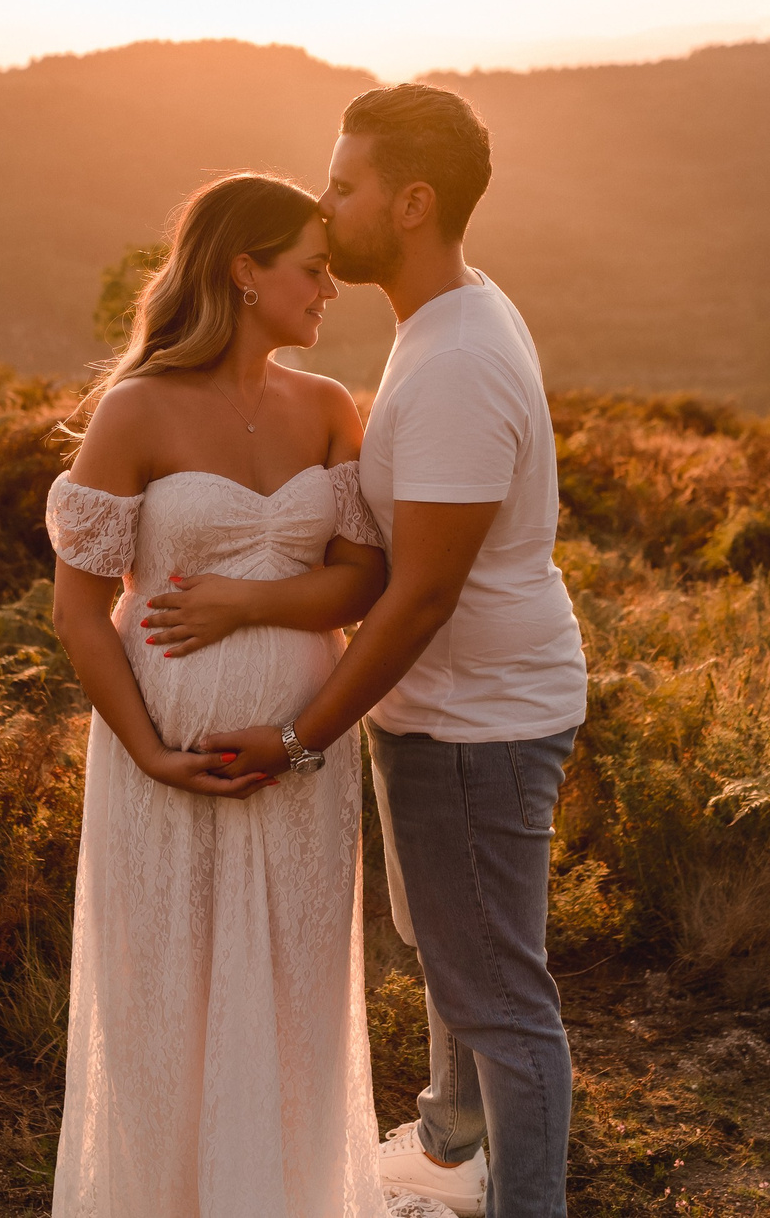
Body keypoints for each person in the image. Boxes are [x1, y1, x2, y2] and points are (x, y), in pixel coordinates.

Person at [198, 84, 588, 1218]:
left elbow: (418, 598)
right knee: (450, 949)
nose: (326, 206)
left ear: (411, 203)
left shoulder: (458, 360)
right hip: (448, 710)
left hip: (478, 719)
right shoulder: (448, 316)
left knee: (499, 992)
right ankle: (451, 1147)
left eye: (344, 185)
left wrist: (295, 737)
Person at [43, 173, 397, 1218]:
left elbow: (362, 577)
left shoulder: (328, 406)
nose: (329, 286)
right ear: (245, 272)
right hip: (162, 762)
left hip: (299, 754)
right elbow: (77, 611)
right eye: (311, 265)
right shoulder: (136, 409)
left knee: (293, 1001)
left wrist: (244, 598)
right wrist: (151, 749)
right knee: (160, 1002)